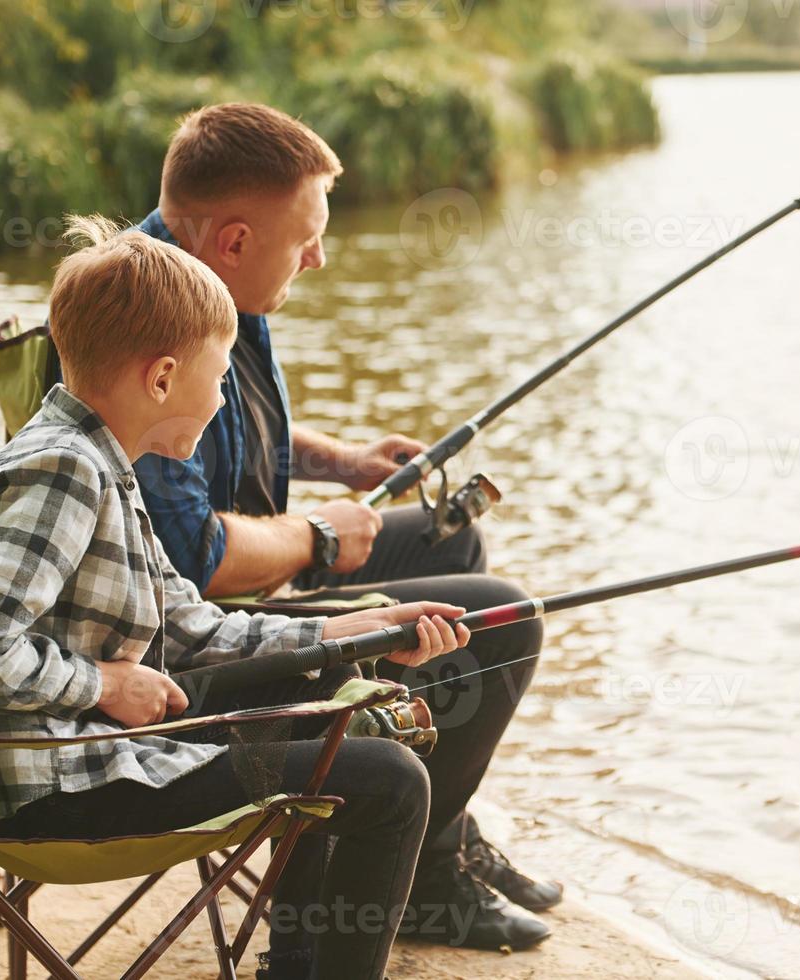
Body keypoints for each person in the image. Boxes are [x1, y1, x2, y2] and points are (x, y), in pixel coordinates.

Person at [0, 216, 471, 980]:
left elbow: (193, 624)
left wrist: (347, 632)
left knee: (330, 700)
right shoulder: (64, 472)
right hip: (63, 786)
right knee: (390, 781)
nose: (222, 399)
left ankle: (296, 967)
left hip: (87, 757)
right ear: (161, 378)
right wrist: (103, 684)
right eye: (218, 376)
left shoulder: (98, 461)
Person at [129, 103, 559, 950]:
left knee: (449, 539)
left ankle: (443, 831)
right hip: (197, 640)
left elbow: (240, 425)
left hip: (233, 588)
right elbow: (194, 560)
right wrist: (319, 538)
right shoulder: (158, 322)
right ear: (236, 241)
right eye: (306, 239)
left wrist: (344, 462)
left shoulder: (213, 280)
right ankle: (426, 869)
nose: (320, 256)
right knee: (505, 620)